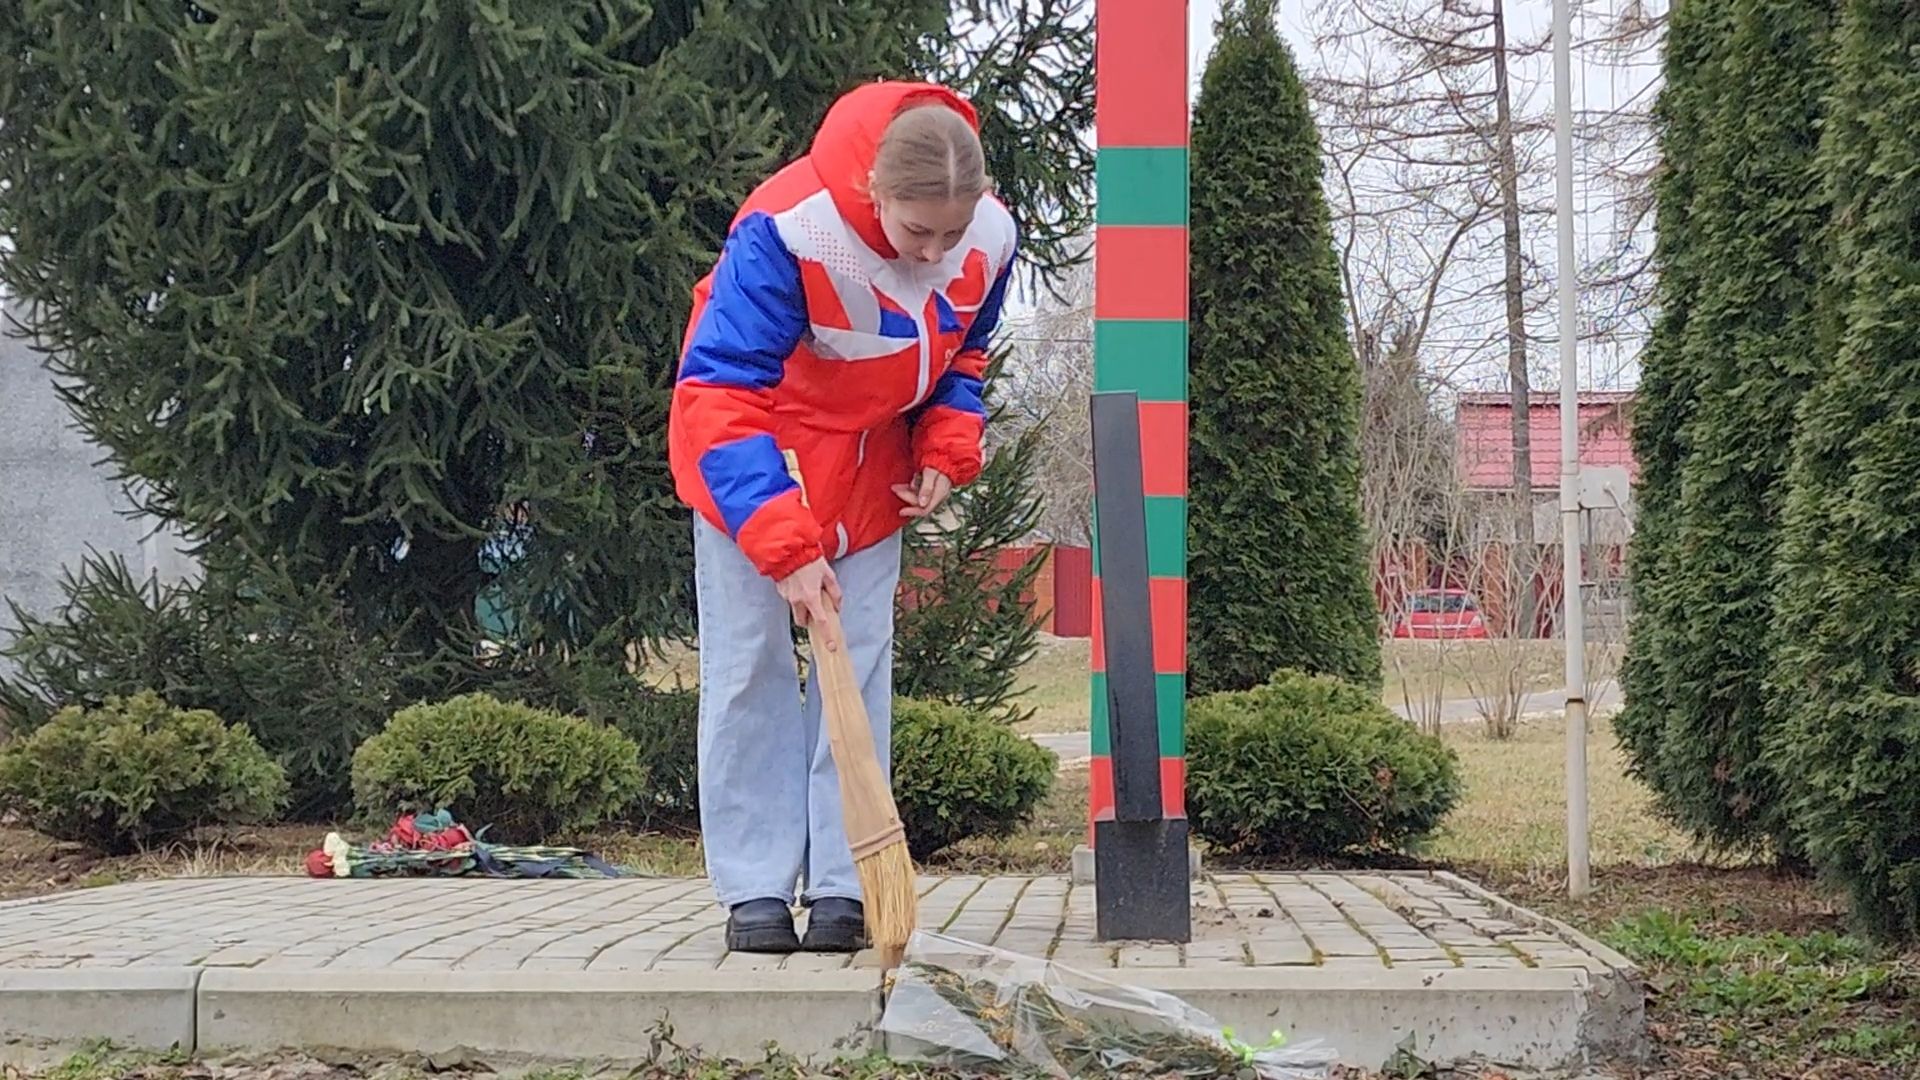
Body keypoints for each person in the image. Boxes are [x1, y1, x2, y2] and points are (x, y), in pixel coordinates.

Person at [666, 80, 1018, 954]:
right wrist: (782, 543)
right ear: (874, 195)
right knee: (750, 668)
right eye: (916, 232)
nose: (937, 253)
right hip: (751, 465)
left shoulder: (989, 237)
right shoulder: (787, 230)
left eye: (952, 232)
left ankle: (844, 888)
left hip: (869, 481)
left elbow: (960, 354)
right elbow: (717, 392)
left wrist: (945, 444)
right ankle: (752, 887)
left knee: (856, 675)